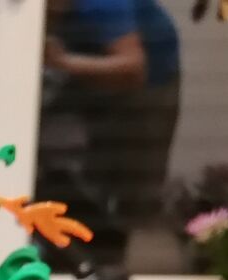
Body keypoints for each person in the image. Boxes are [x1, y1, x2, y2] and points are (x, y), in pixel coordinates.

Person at [44, 0, 182, 262]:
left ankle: (123, 262)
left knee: (136, 186)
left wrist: (63, 62)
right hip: (91, 60)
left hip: (149, 79)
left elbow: (134, 68)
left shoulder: (103, 5)